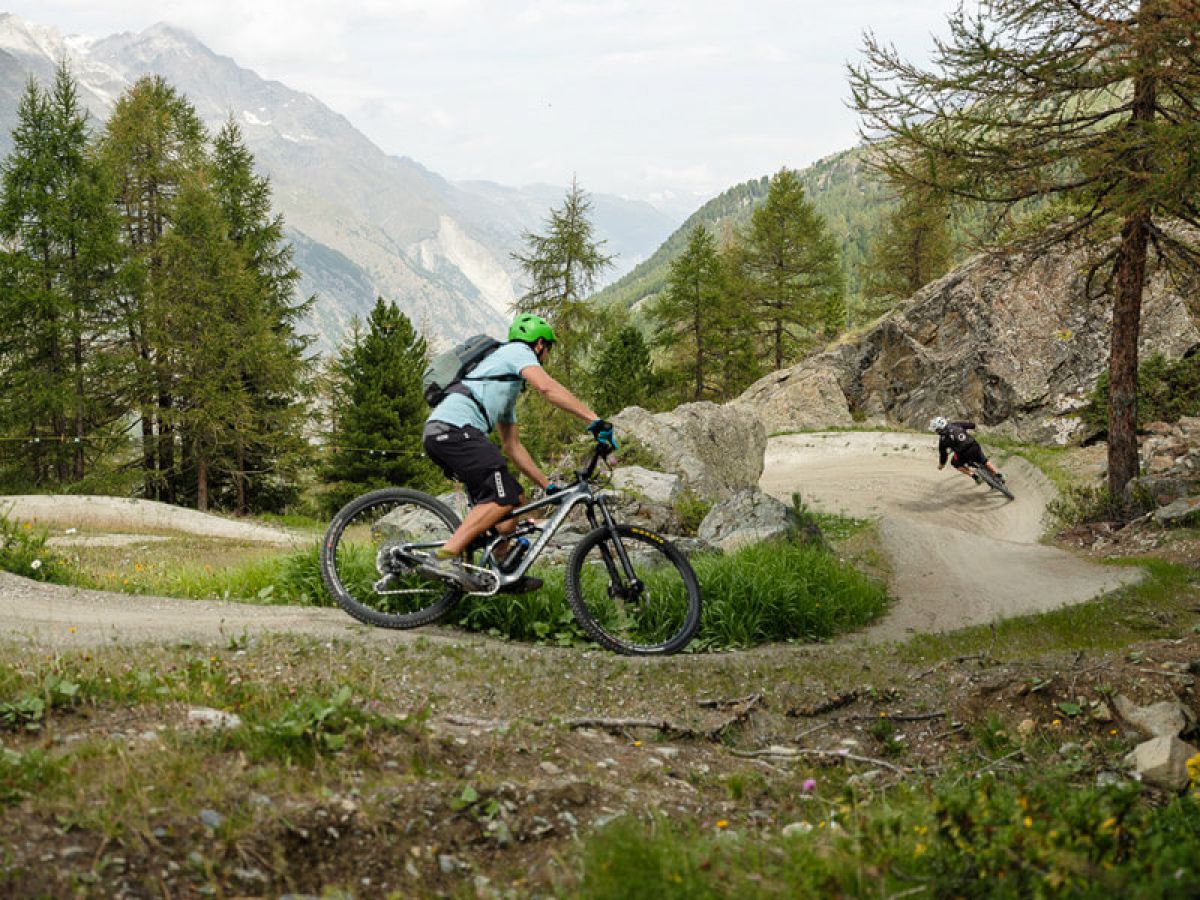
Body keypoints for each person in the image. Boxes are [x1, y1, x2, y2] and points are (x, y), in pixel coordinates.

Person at [418, 313, 616, 592]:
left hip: (448, 433)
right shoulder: (515, 351)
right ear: (539, 345)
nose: (545, 357)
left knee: (515, 499)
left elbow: (512, 447)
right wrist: (593, 420)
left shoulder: (504, 388)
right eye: (548, 350)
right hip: (452, 430)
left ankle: (502, 572)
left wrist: (547, 486)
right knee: (504, 497)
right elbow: (547, 387)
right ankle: (443, 558)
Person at [929, 416, 1005, 485]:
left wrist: (941, 465)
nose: (936, 431)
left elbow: (943, 455)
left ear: (940, 429)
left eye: (936, 430)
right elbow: (971, 425)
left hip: (963, 454)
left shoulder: (942, 440)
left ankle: (974, 476)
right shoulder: (956, 424)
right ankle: (999, 474)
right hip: (974, 446)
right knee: (984, 460)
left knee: (954, 463)